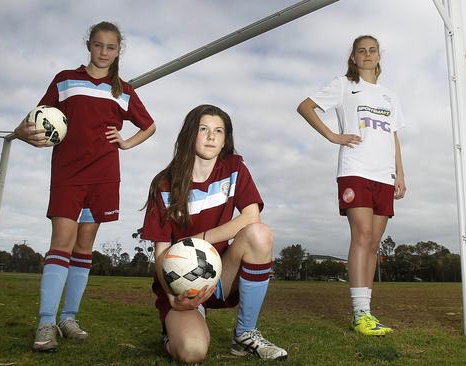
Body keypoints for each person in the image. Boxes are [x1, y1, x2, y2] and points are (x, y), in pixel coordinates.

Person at [13, 21, 156, 351]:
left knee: (84, 247)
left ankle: (69, 317)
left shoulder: (124, 91)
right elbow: (31, 119)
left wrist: (125, 142)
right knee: (62, 241)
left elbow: (149, 126)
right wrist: (25, 135)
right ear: (88, 45)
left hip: (104, 174)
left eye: (111, 47)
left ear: (119, 50)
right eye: (98, 45)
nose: (104, 52)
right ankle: (46, 321)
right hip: (68, 173)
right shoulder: (65, 80)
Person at [141, 104, 288, 363]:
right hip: (182, 284)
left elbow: (251, 217)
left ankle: (245, 335)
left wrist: (197, 241)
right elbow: (162, 253)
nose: (211, 136)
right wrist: (173, 296)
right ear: (189, 135)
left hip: (221, 272)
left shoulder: (233, 168)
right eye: (204, 129)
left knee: (259, 234)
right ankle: (174, 332)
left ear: (224, 141)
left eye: (218, 131)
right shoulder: (164, 184)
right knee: (192, 352)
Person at [297, 35, 406, 336]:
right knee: (363, 235)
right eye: (362, 51)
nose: (368, 54)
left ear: (379, 56)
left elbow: (393, 136)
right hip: (355, 169)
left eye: (372, 50)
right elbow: (306, 107)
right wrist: (333, 136)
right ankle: (360, 315)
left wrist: (400, 173)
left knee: (374, 244)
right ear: (354, 58)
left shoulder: (389, 96)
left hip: (384, 176)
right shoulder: (344, 85)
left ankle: (367, 313)